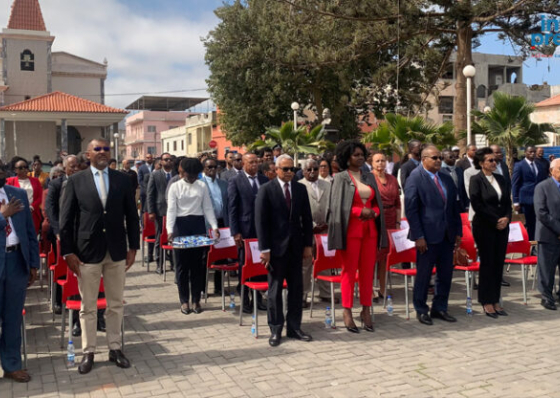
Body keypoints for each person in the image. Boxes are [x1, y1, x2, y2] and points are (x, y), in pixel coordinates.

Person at [60, 138, 139, 375]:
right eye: (98, 149)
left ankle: (115, 348)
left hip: (116, 251)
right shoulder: (75, 181)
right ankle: (89, 351)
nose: (103, 152)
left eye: (106, 149)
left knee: (115, 304)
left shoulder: (123, 180)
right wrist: (68, 252)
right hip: (86, 253)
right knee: (88, 306)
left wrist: (133, 247)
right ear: (88, 154)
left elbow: (132, 217)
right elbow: (66, 221)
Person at [327, 141, 387, 333]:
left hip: (370, 231)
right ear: (347, 157)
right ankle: (347, 311)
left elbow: (377, 203)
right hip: (350, 231)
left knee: (368, 273)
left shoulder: (369, 176)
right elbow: (337, 207)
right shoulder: (340, 178)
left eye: (362, 154)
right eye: (356, 155)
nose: (360, 157)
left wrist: (374, 213)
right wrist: (359, 211)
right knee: (349, 272)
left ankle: (366, 310)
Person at [256, 154, 313, 347]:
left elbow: (306, 219)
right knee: (275, 290)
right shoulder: (266, 190)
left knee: (296, 289)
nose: (289, 172)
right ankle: (276, 328)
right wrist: (264, 249)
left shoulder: (300, 189)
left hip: (296, 247)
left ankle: (294, 327)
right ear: (276, 170)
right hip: (275, 249)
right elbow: (261, 223)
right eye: (285, 169)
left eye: (292, 169)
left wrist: (308, 245)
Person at [405, 146, 462, 325]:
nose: (439, 160)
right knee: (424, 275)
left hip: (446, 234)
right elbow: (411, 210)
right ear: (424, 159)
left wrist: (458, 232)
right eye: (435, 158)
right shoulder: (415, 177)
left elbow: (454, 207)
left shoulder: (445, 177)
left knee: (445, 274)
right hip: (427, 236)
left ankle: (440, 307)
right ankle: (421, 309)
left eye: (440, 158)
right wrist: (418, 236)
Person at [0, 167, 39, 383]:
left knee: (13, 317)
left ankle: (11, 365)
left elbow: (29, 231)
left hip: (16, 261)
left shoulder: (19, 194)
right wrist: (2, 216)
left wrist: (33, 263)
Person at [167, 158, 219, 315]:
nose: (193, 178)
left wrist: (215, 227)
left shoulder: (201, 186)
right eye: (190, 175)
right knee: (182, 267)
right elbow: (171, 210)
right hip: (180, 227)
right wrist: (169, 230)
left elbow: (208, 208)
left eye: (196, 175)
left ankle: (196, 299)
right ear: (184, 173)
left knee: (198, 266)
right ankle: (184, 301)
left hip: (198, 225)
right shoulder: (175, 187)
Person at [469, 147, 511, 318]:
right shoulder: (476, 179)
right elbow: (477, 204)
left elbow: (507, 202)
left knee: (498, 263)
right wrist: (495, 220)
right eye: (490, 160)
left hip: (503, 226)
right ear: (481, 163)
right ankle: (486, 301)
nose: (494, 163)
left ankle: (495, 300)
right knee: (487, 263)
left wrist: (507, 218)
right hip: (485, 226)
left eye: (495, 160)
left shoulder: (500, 178)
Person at [228, 152, 269, 313]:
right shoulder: (235, 181)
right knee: (244, 264)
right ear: (244, 164)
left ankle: (258, 298)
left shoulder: (264, 180)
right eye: (251, 162)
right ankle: (245, 298)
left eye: (256, 162)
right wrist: (235, 231)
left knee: (259, 263)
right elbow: (232, 207)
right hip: (245, 230)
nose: (254, 165)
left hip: (262, 230)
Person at [298, 158, 332, 305]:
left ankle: (325, 293)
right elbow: (298, 211)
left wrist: (327, 223)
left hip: (325, 231)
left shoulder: (328, 185)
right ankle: (303, 295)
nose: (312, 172)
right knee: (305, 265)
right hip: (307, 231)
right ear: (304, 171)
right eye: (309, 170)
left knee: (325, 261)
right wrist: (312, 225)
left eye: (315, 169)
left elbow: (333, 206)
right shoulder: (299, 186)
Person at [371, 151, 400, 301]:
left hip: (390, 219)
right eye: (377, 161)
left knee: (384, 256)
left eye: (383, 160)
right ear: (372, 163)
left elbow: (398, 203)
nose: (380, 163)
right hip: (374, 219)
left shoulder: (393, 179)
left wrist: (397, 222)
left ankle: (382, 288)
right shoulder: (368, 178)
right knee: (371, 256)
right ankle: (369, 288)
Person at [534, 159, 560, 310]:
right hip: (548, 235)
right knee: (547, 268)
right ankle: (546, 297)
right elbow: (541, 213)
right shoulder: (542, 187)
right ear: (551, 171)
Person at [202, 157, 229, 295]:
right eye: (209, 167)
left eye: (214, 167)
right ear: (204, 169)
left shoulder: (223, 184)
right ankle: (202, 288)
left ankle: (219, 286)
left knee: (221, 256)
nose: (212, 170)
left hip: (222, 223)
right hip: (206, 225)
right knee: (205, 257)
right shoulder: (199, 184)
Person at [147, 152, 176, 274]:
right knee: (160, 236)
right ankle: (159, 263)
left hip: (175, 211)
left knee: (174, 237)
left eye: (170, 159)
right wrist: (151, 211)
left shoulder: (176, 174)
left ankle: (174, 263)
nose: (168, 161)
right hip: (160, 211)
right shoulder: (155, 175)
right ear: (161, 162)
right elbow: (150, 193)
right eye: (165, 159)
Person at [512, 146, 547, 241]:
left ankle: (538, 242)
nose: (532, 153)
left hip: (539, 199)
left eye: (534, 152)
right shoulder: (519, 165)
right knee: (529, 223)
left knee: (538, 223)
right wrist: (516, 201)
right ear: (525, 153)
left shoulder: (539, 165)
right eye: (530, 152)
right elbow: (515, 184)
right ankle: (531, 245)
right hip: (526, 200)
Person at [7, 159, 43, 234]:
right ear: (15, 170)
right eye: (20, 168)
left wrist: (32, 207)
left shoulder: (35, 181)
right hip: (17, 214)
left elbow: (40, 196)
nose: (24, 169)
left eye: (25, 167)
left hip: (33, 214)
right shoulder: (10, 181)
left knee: (33, 236)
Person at [440, 148, 469, 212]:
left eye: (455, 156)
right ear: (443, 157)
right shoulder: (439, 171)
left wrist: (467, 204)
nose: (453, 158)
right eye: (450, 157)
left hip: (459, 203)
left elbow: (463, 188)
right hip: (446, 205)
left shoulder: (459, 170)